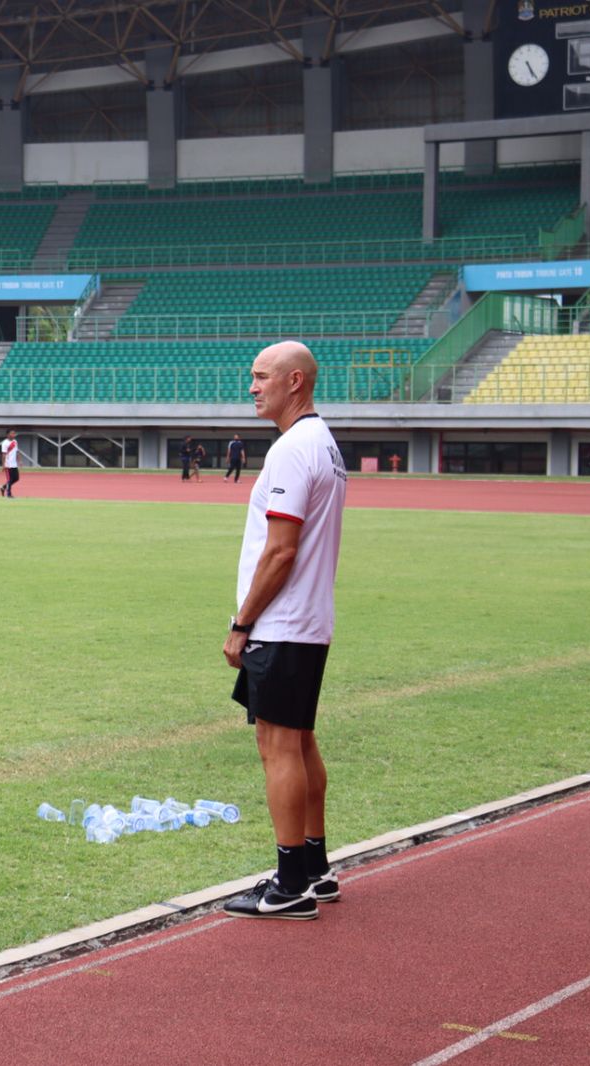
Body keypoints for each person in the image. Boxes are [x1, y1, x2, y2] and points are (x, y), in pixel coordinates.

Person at [222, 340, 347, 921]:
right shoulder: (322, 442)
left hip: (283, 621)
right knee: (298, 740)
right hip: (309, 619)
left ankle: (290, 881)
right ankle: (315, 869)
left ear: (294, 381)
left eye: (261, 376)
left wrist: (242, 623)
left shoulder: (293, 450)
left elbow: (280, 551)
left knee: (277, 746)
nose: (252, 386)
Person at [0, 429, 19, 498]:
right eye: (12, 433)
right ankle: (9, 494)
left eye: (14, 433)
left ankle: (3, 487)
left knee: (16, 478)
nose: (13, 435)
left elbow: (17, 451)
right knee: (9, 480)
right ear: (8, 435)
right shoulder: (5, 443)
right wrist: (4, 465)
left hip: (14, 464)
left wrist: (19, 460)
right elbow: (3, 454)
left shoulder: (15, 442)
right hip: (8, 465)